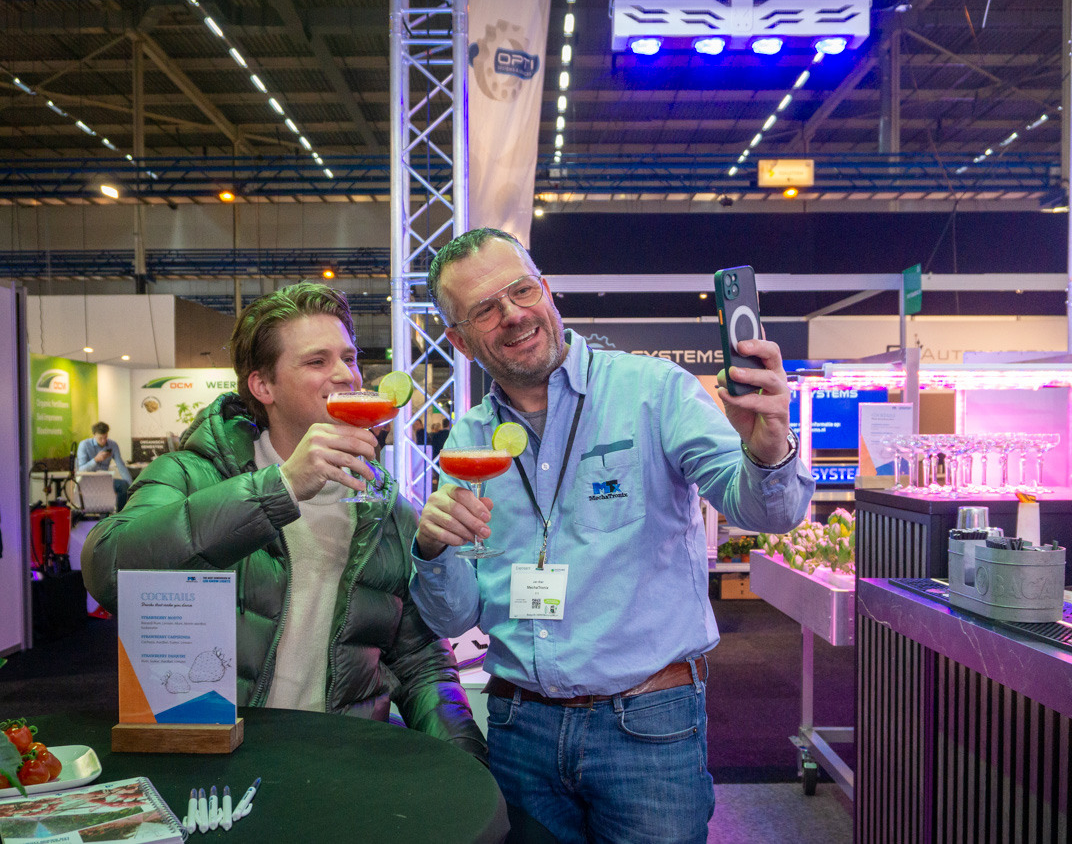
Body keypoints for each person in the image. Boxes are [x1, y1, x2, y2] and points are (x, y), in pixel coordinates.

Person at [410, 227, 815, 842]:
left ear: (547, 290)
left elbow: (766, 512)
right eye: (485, 310)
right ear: (459, 340)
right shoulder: (469, 439)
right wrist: (432, 549)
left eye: (521, 290)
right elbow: (453, 615)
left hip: (647, 727)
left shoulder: (653, 391)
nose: (513, 314)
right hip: (519, 728)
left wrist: (767, 448)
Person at [81, 283, 486, 762]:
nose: (346, 374)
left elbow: (421, 662)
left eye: (349, 357)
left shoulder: (388, 509)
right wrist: (283, 487)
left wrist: (467, 761)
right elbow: (107, 570)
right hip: (217, 761)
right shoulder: (191, 473)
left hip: (339, 760)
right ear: (262, 386)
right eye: (317, 361)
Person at [76, 422, 133, 511]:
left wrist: (131, 486)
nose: (103, 441)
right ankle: (104, 515)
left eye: (105, 437)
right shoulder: (84, 445)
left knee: (123, 485)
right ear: (94, 435)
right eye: (100, 438)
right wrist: (96, 460)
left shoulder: (112, 445)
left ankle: (121, 514)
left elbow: (121, 466)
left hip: (105, 480)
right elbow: (81, 470)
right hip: (88, 481)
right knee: (104, 495)